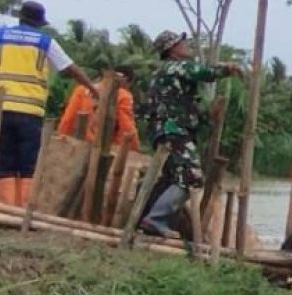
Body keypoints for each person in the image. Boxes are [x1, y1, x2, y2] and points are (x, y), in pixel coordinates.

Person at [0, 1, 97, 207]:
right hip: (30, 112)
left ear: (20, 18)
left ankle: (7, 208)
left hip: (1, 110)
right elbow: (71, 68)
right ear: (39, 23)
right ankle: (21, 211)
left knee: (5, 161)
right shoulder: (45, 41)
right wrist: (92, 88)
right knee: (27, 163)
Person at [138, 31, 242, 238]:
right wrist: (227, 68)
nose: (186, 45)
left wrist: (205, 117)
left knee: (170, 178)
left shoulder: (162, 73)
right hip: (174, 131)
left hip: (164, 130)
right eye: (181, 42)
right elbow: (204, 72)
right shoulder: (176, 67)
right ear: (172, 49)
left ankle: (144, 217)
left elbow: (179, 104)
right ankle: (155, 219)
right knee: (191, 177)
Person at [57, 65, 141, 149]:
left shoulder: (82, 89)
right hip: (102, 148)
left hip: (80, 144)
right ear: (126, 80)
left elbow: (68, 119)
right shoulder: (124, 96)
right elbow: (126, 125)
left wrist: (62, 135)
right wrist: (134, 148)